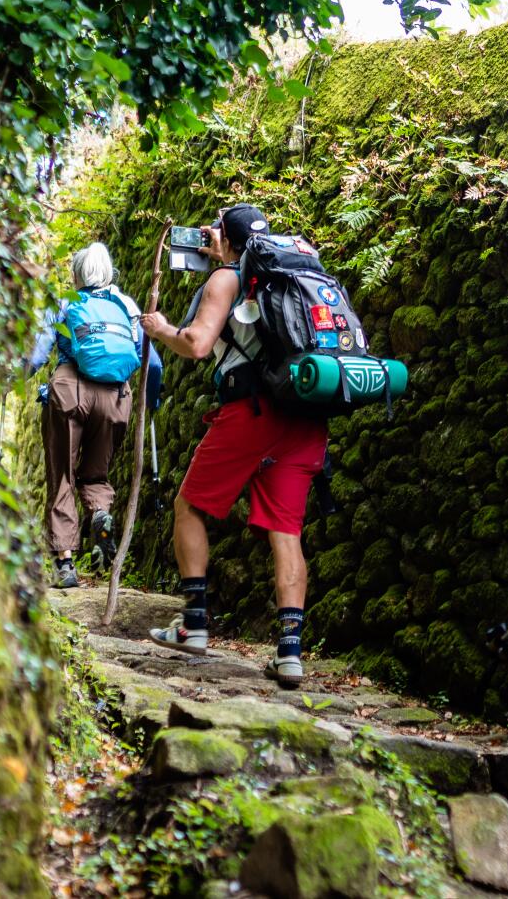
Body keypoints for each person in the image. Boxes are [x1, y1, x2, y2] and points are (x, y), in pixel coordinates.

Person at [139, 204, 327, 687]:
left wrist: (161, 329)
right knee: (286, 532)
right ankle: (289, 654)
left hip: (252, 411)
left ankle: (194, 625)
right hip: (305, 416)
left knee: (190, 506)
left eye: (214, 233)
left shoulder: (227, 277)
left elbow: (199, 344)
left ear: (224, 238)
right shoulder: (290, 273)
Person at [26, 242, 163, 588]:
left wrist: (8, 379)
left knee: (63, 477)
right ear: (108, 272)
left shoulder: (64, 303)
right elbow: (153, 362)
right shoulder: (126, 306)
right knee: (96, 473)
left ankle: (65, 564)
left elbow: (37, 353)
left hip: (70, 389)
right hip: (116, 396)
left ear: (76, 274)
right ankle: (100, 513)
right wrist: (151, 402)